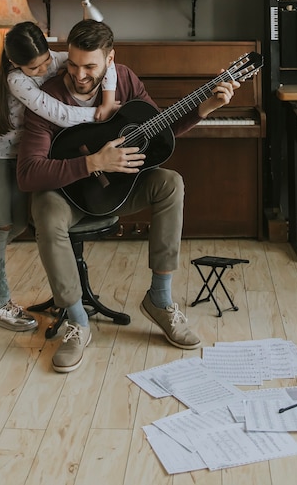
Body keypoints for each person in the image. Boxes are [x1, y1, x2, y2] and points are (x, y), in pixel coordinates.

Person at [17, 19, 240, 372]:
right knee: (44, 207)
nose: (79, 74)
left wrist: (204, 109)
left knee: (171, 182)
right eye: (72, 64)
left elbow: (157, 132)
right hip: (67, 198)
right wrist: (91, 162)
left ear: (110, 59)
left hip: (118, 191)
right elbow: (28, 173)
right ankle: (77, 321)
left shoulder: (125, 80)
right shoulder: (49, 96)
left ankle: (160, 300)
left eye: (90, 66)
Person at [0, 21, 118, 332]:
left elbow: (109, 65)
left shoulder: (55, 60)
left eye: (46, 61)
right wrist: (104, 117)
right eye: (34, 66)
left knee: (18, 224)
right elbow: (60, 115)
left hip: (21, 156)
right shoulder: (16, 80)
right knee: (1, 226)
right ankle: (0, 304)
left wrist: (108, 100)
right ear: (15, 63)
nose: (44, 69)